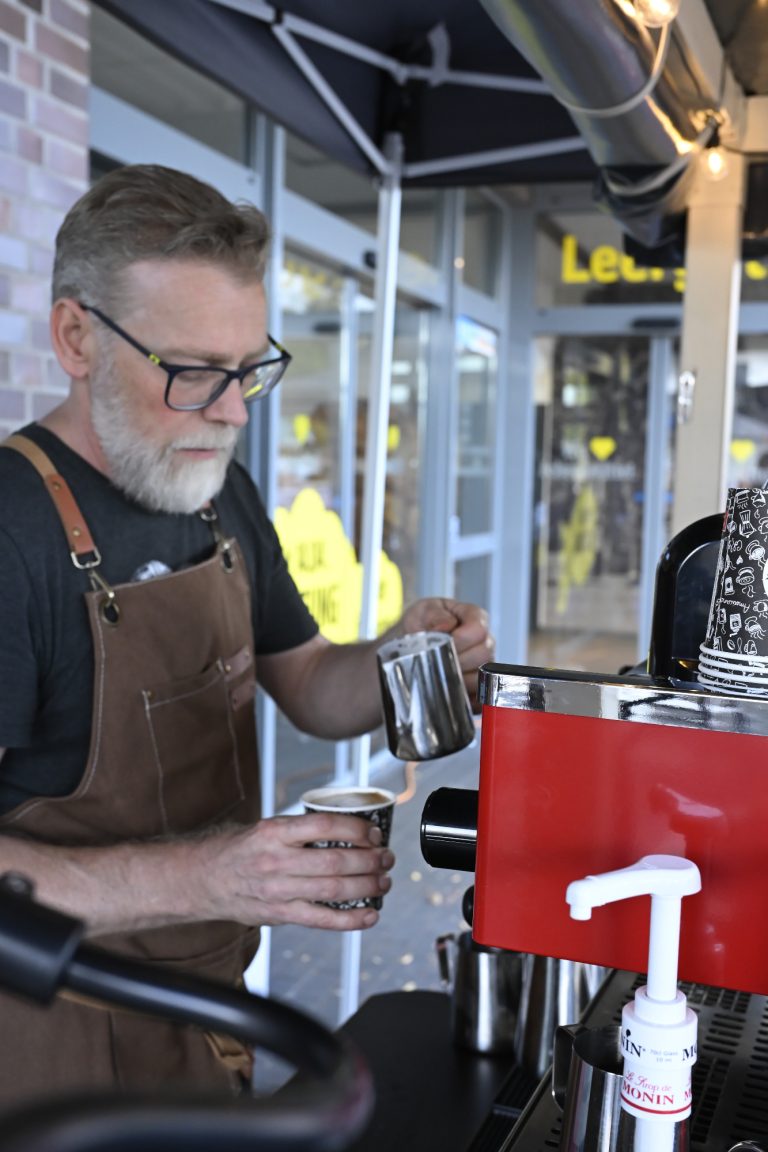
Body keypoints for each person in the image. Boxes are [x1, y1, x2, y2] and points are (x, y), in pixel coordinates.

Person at [0, 164, 494, 1103]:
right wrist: (212, 877)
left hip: (210, 1007)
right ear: (76, 336)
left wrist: (402, 657)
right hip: (47, 1049)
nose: (230, 412)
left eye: (247, 371)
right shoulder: (11, 529)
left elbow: (307, 678)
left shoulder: (216, 488)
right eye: (192, 373)